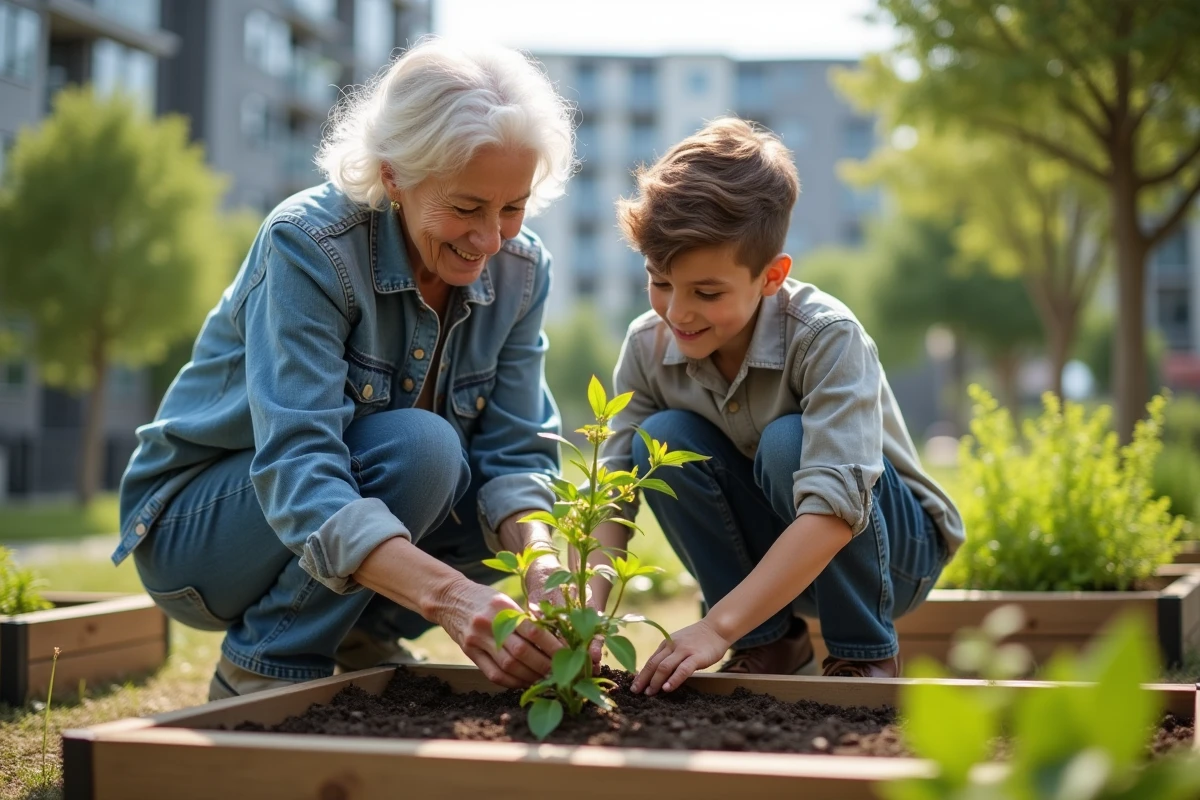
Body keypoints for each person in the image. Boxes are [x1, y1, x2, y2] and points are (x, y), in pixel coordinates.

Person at [115, 39, 579, 700]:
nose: (491, 239)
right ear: (394, 175)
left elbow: (516, 451)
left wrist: (542, 566)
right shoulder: (309, 246)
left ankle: (359, 638)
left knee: (477, 490)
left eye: (513, 206)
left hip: (318, 518)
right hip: (203, 532)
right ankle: (263, 670)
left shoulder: (522, 271)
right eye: (467, 208)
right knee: (421, 450)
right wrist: (452, 598)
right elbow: (299, 468)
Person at [586, 118, 963, 695]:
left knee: (791, 442)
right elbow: (613, 489)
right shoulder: (647, 345)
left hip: (892, 557)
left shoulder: (825, 336)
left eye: (706, 293)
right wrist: (584, 613)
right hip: (777, 556)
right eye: (660, 282)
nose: (677, 312)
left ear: (771, 276)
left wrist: (714, 626)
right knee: (658, 439)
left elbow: (837, 508)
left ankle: (864, 655)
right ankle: (770, 642)